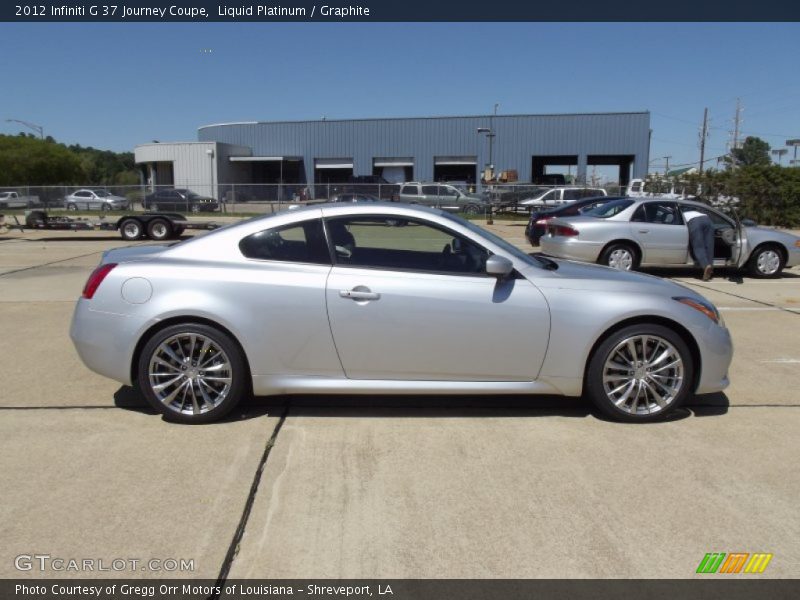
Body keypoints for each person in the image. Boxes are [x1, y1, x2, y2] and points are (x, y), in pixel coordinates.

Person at [682, 207, 715, 281]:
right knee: (709, 246)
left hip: (694, 222)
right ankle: (710, 268)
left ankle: (706, 265)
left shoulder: (682, 213)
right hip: (707, 219)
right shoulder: (695, 211)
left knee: (698, 246)